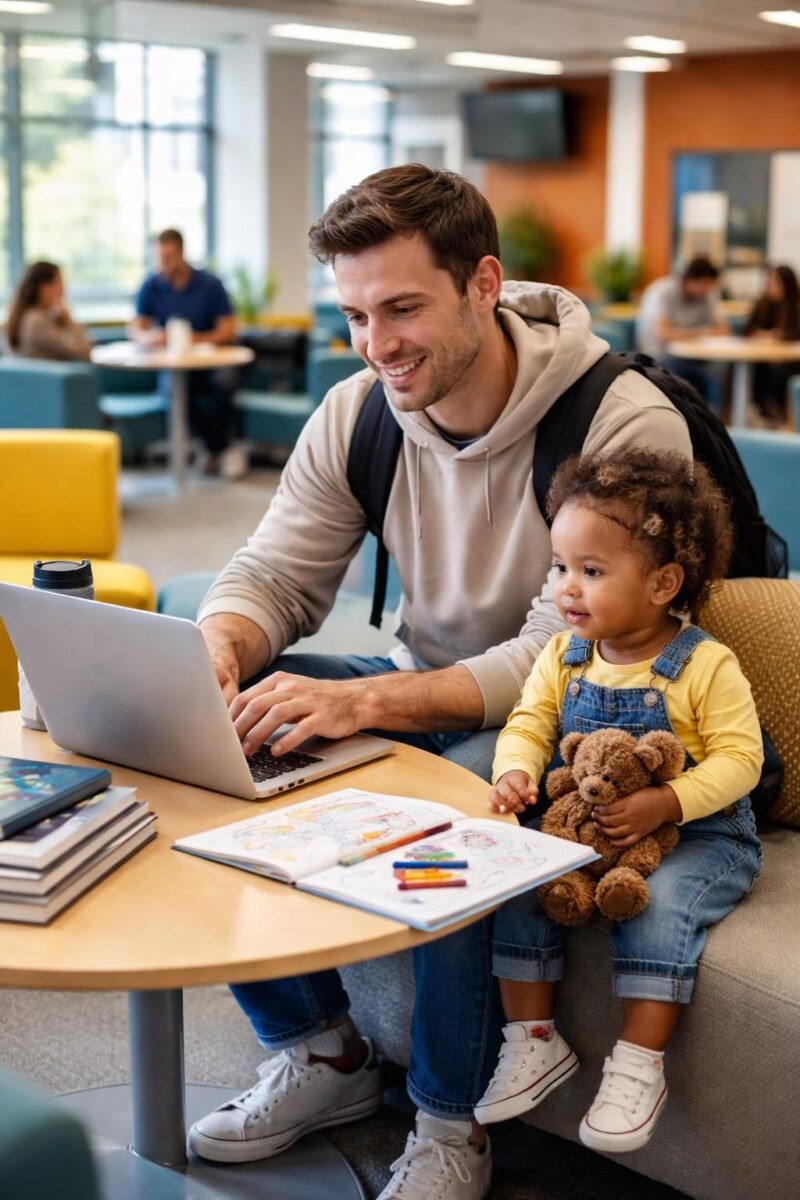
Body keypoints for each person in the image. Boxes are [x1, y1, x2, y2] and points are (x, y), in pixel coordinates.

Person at [190, 165, 692, 1200]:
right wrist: (221, 647)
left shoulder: (620, 420)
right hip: (424, 676)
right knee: (211, 728)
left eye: (402, 307)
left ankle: (448, 1123)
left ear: (482, 285)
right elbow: (275, 572)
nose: (378, 344)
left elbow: (566, 648)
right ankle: (320, 1051)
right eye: (355, 314)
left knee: (464, 798)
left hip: (580, 711)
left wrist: (366, 702)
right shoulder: (358, 411)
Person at [478, 447, 762, 1153]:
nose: (567, 589)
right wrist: (514, 772)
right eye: (560, 567)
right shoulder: (566, 653)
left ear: (664, 582)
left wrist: (667, 801)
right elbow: (530, 723)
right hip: (588, 823)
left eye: (592, 572)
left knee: (656, 909)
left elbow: (741, 760)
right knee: (517, 884)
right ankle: (534, 1038)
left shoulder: (703, 664)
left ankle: (638, 1063)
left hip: (702, 834)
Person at [129, 228, 247, 480]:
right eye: (159, 257)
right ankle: (220, 447)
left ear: (182, 254)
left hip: (213, 361)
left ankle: (213, 448)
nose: (164, 263)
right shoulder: (152, 285)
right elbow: (136, 327)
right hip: (177, 363)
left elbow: (227, 330)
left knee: (224, 383)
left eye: (169, 256)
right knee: (175, 388)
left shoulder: (210, 284)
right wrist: (150, 337)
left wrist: (193, 339)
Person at [636, 257, 728, 408]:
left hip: (697, 356)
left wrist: (686, 334)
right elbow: (664, 334)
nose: (706, 289)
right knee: (686, 375)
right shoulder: (662, 292)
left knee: (720, 372)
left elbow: (724, 329)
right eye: (703, 284)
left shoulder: (708, 294)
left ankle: (712, 422)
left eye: (710, 284)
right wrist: (703, 332)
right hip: (661, 355)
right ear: (688, 279)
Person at [744, 264, 800, 423]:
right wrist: (761, 335)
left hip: (791, 359)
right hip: (763, 357)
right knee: (757, 368)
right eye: (770, 281)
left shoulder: (795, 305)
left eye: (776, 281)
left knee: (780, 372)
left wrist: (779, 336)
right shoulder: (763, 303)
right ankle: (762, 412)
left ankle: (780, 414)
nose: (772, 285)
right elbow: (749, 330)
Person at [4, 261, 92, 361]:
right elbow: (85, 354)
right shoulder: (37, 322)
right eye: (59, 282)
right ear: (44, 288)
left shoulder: (26, 316)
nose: (64, 289)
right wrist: (69, 320)